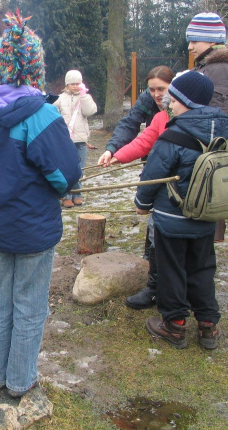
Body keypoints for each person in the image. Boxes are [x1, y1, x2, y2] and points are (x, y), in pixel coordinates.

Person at [0, 11, 81, 398]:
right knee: (30, 304)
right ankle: (20, 379)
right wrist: (60, 189)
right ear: (35, 67)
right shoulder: (42, 114)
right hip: (34, 229)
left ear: (1, 67)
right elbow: (66, 173)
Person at [134, 71, 228, 350]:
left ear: (186, 101)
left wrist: (142, 204)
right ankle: (208, 324)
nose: (169, 103)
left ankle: (175, 324)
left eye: (174, 99)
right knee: (203, 267)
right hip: (208, 215)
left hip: (172, 217)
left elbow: (153, 175)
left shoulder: (174, 134)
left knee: (172, 269)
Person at [97, 65, 175, 309]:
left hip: (176, 175)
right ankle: (151, 271)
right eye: (151, 89)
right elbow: (134, 130)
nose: (156, 94)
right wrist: (113, 152)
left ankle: (166, 284)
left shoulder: (179, 111)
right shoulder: (153, 108)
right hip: (156, 166)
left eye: (161, 89)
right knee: (155, 224)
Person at [186, 12, 228, 242]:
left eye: (195, 40)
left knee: (208, 203)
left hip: (213, 149)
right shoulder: (207, 65)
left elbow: (217, 117)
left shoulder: (219, 68)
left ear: (212, 41)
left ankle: (203, 258)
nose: (191, 46)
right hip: (205, 146)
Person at [53, 70, 97, 207]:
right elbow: (52, 113)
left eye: (78, 83)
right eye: (72, 84)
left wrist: (84, 96)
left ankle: (78, 194)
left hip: (81, 140)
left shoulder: (85, 97)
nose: (75, 86)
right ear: (67, 84)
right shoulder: (60, 98)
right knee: (65, 168)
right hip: (64, 140)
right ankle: (66, 195)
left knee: (79, 169)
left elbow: (90, 111)